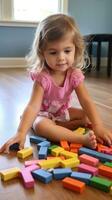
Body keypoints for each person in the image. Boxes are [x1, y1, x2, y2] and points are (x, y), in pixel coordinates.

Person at [0, 14, 112, 154]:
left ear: (75, 49)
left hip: (62, 113)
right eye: (53, 52)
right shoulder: (43, 78)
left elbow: (86, 100)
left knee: (87, 115)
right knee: (41, 126)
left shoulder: (74, 75)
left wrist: (98, 126)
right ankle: (78, 138)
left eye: (67, 51)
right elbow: (33, 106)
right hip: (43, 114)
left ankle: (58, 126)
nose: (61, 58)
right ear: (42, 53)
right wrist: (21, 133)